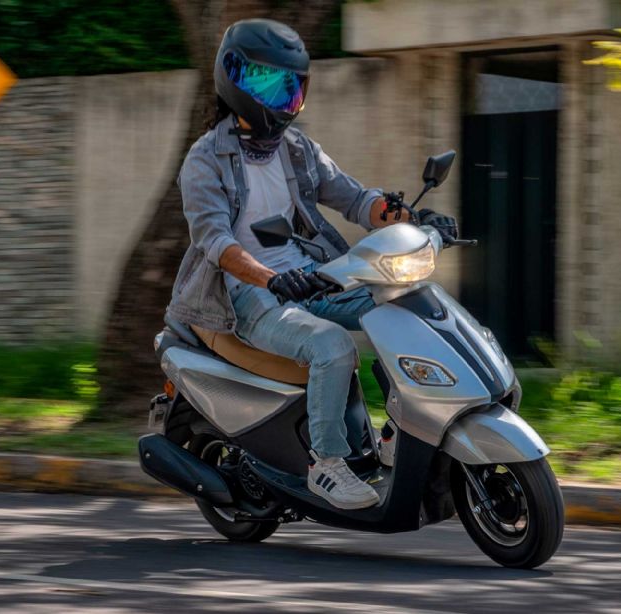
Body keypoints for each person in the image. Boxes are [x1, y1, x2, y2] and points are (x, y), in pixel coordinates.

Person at [166, 19, 458, 510]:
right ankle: (326, 464)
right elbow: (215, 242)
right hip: (244, 294)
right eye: (267, 84)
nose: (281, 98)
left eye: (290, 87)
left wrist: (415, 218)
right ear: (233, 79)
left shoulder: (298, 150)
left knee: (406, 305)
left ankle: (400, 430)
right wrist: (272, 278)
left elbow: (357, 200)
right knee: (332, 345)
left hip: (310, 277)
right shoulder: (205, 159)